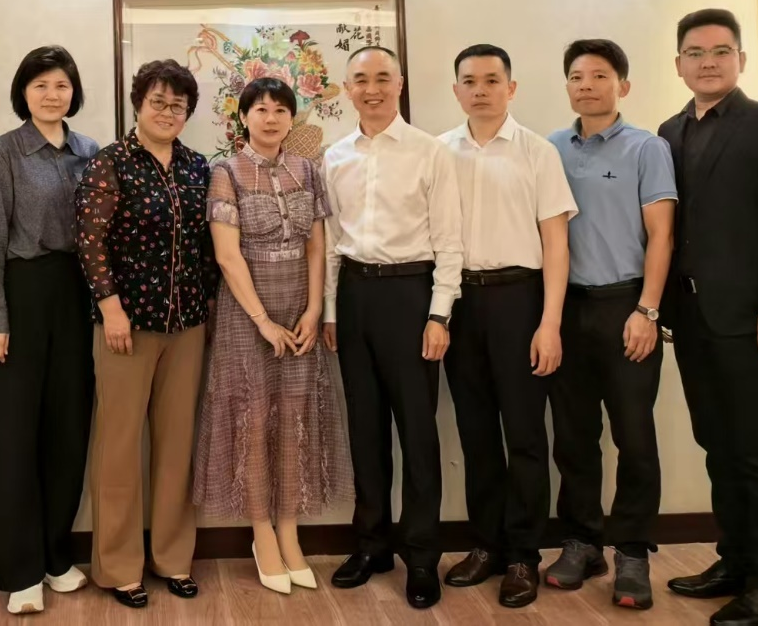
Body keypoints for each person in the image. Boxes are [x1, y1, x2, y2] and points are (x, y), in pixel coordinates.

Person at [658, 9, 758, 626]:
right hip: (692, 321)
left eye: (721, 51)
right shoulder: (669, 132)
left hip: (755, 323)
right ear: (679, 64)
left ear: (740, 60)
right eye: (695, 53)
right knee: (717, 447)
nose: (708, 62)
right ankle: (734, 560)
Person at [192, 77, 353, 595]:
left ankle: (289, 531)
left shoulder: (307, 169)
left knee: (295, 417)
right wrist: (263, 320)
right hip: (248, 315)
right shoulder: (225, 172)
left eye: (281, 110)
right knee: (253, 419)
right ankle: (262, 533)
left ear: (291, 119)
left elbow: (316, 246)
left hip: (299, 308)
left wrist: (314, 308)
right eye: (261, 109)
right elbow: (226, 255)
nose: (271, 118)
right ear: (243, 117)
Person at [320, 45, 463, 610]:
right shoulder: (335, 157)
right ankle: (372, 544)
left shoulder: (430, 152)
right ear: (347, 89)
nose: (372, 89)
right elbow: (332, 243)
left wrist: (439, 314)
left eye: (383, 78)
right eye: (361, 79)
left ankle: (422, 555)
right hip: (355, 296)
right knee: (366, 427)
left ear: (399, 84)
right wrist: (331, 312)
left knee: (418, 431)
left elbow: (449, 240)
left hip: (411, 295)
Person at [438, 44, 577, 609]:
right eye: (469, 81)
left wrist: (550, 324)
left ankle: (523, 554)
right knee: (475, 434)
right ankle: (487, 544)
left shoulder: (538, 151)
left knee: (524, 435)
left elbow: (557, 244)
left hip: (521, 300)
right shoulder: (439, 152)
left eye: (492, 80)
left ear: (511, 88)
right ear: (456, 90)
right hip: (460, 302)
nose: (480, 90)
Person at [76, 59, 218, 609]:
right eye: (158, 102)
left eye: (178, 105)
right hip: (126, 325)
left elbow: (207, 246)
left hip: (187, 324)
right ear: (138, 104)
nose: (167, 112)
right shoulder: (110, 162)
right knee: (118, 446)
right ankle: (118, 567)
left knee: (177, 443)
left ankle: (173, 558)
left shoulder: (197, 166)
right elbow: (91, 241)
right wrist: (110, 308)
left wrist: (208, 308)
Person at [544, 39, 676, 610]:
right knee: (573, 437)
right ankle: (582, 541)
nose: (587, 85)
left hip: (627, 305)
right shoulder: (550, 147)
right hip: (565, 307)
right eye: (577, 76)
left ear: (623, 85)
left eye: (600, 75)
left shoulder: (647, 148)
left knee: (634, 436)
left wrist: (648, 310)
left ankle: (633, 552)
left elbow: (662, 235)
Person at [0, 46, 98, 615]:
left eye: (62, 85)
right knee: (13, 436)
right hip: (20, 292)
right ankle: (21, 570)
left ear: (74, 92)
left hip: (76, 295)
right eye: (41, 85)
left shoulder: (90, 152)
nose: (52, 95)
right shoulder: (4, 151)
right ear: (23, 92)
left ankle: (55, 556)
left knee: (68, 429)